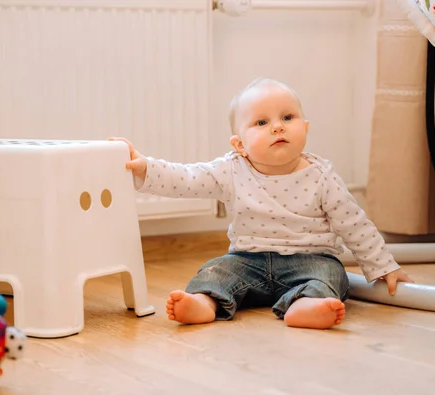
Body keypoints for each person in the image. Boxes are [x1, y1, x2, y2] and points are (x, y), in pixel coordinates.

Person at [108, 77, 413, 329]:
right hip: (246, 260)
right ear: (239, 144)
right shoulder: (230, 169)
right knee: (214, 271)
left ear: (305, 129)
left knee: (333, 276)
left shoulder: (322, 176)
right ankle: (203, 301)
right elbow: (187, 178)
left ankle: (306, 305)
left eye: (287, 118)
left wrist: (383, 266)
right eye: (262, 122)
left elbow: (353, 223)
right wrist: (146, 167)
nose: (277, 127)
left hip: (310, 261)